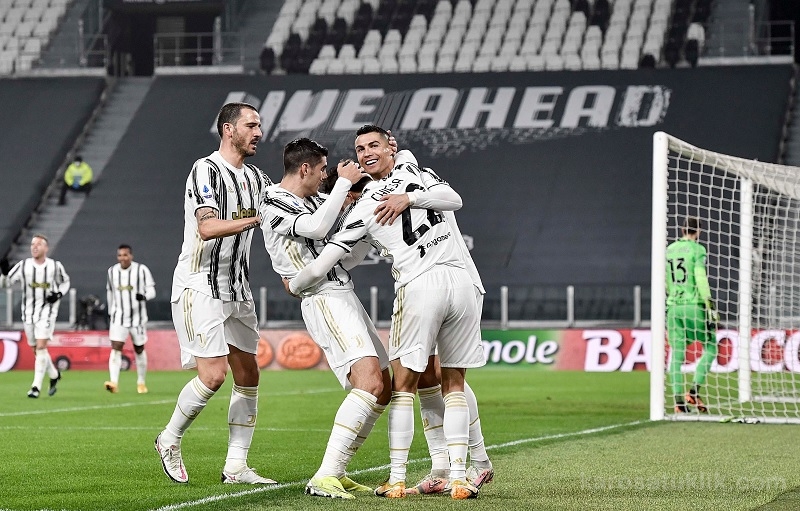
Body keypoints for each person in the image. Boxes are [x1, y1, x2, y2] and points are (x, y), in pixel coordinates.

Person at [288, 125, 486, 500]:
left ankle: (396, 479)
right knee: (452, 383)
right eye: (360, 149)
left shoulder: (365, 207)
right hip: (462, 282)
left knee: (403, 387)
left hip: (420, 287)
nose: (365, 153)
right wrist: (409, 193)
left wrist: (296, 284)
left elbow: (325, 262)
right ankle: (459, 475)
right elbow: (453, 198)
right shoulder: (417, 172)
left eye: (372, 146)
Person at [261, 138, 390, 500]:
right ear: (304, 168)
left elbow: (343, 246)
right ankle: (325, 475)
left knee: (385, 385)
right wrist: (344, 185)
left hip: (343, 292)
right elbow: (318, 230)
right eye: (320, 170)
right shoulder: (273, 201)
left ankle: (339, 470)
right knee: (368, 380)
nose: (323, 177)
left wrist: (360, 205)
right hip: (321, 298)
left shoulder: (317, 200)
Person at [154, 102, 275, 486]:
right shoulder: (205, 170)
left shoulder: (256, 177)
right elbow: (206, 228)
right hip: (200, 285)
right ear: (228, 129)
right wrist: (258, 218)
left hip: (237, 288)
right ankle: (169, 438)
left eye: (259, 126)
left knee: (249, 373)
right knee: (213, 376)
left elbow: (286, 202)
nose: (258, 133)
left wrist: (337, 188)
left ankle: (236, 466)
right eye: (251, 125)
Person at [384, 150, 494, 495]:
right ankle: (442, 469)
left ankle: (479, 461)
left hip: (455, 281)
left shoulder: (419, 178)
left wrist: (409, 194)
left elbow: (452, 198)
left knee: (450, 379)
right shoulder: (386, 193)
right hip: (431, 288)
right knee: (429, 377)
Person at [0, 234, 70, 398]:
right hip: (28, 313)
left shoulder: (54, 266)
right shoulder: (23, 265)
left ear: (46, 248)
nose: (35, 247)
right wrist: (4, 274)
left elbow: (65, 281)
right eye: (32, 244)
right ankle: (54, 375)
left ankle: (35, 387)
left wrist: (58, 294)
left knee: (41, 347)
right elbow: (6, 284)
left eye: (38, 244)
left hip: (47, 312)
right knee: (36, 350)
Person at [666, 216, 718, 413]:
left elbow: (665, 281)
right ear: (698, 231)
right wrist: (710, 304)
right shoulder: (698, 250)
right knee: (710, 346)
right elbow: (700, 277)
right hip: (693, 306)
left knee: (677, 355)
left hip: (673, 308)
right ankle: (694, 391)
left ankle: (679, 403)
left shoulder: (669, 250)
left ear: (682, 230)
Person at [104, 244, 156, 394]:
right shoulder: (112, 271)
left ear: (131, 256)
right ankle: (113, 382)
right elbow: (110, 292)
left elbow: (152, 290)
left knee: (139, 349)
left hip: (137, 318)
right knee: (116, 347)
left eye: (125, 255)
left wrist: (144, 296)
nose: (122, 258)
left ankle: (141, 382)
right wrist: (110, 312)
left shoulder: (141, 270)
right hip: (118, 317)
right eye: (120, 255)